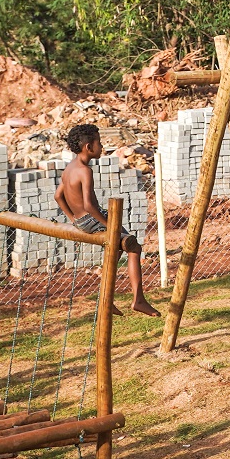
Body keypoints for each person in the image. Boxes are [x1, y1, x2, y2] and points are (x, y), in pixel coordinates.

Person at [56, 123, 158, 317]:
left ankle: (107, 298)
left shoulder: (69, 168)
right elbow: (88, 205)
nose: (102, 146)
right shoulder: (85, 171)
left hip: (80, 220)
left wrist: (73, 219)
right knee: (134, 247)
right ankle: (138, 300)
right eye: (99, 142)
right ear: (89, 147)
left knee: (117, 249)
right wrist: (110, 226)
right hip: (91, 218)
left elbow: (58, 196)